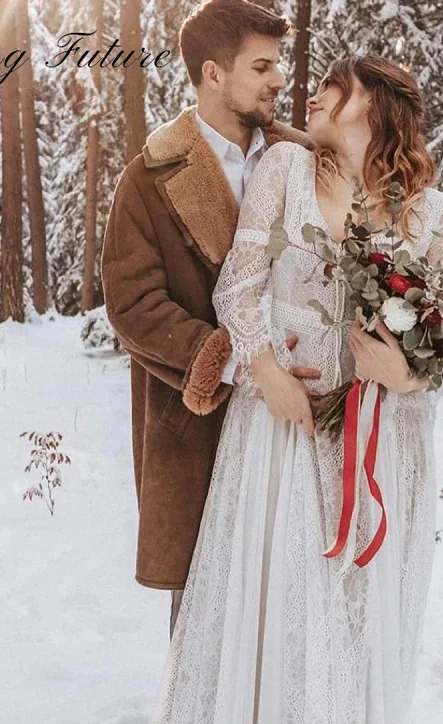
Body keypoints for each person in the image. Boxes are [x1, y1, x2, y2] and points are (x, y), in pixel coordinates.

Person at [121, 47, 443, 724]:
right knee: (277, 607)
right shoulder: (284, 169)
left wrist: (403, 375)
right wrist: (267, 373)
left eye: (329, 90)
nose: (307, 98)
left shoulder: (431, 212)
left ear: (372, 106)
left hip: (378, 439)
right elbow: (239, 289)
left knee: (348, 617)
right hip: (279, 433)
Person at [100, 0, 322, 642]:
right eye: (262, 66)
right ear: (212, 74)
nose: (279, 79)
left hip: (301, 420)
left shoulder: (305, 162)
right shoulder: (148, 178)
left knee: (292, 589)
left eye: (278, 64)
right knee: (204, 606)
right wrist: (240, 362)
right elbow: (133, 304)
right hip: (199, 418)